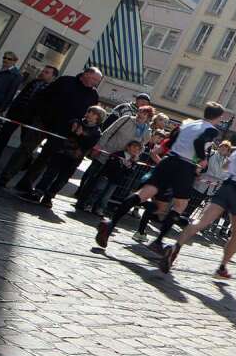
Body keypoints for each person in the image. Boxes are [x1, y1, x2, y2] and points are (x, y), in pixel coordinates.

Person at [94, 102, 224, 250]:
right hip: (185, 165)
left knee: (143, 194)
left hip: (169, 160)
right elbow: (199, 141)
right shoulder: (211, 130)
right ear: (218, 117)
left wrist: (162, 151)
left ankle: (110, 224)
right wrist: (203, 159)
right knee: (181, 205)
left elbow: (171, 141)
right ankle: (158, 241)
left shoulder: (188, 125)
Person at [166, 129, 236, 278]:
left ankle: (176, 246)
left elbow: (226, 165)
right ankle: (222, 268)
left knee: (202, 221)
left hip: (226, 186)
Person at [0, 67, 101, 191]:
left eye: (97, 81)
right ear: (86, 74)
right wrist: (38, 114)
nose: (95, 83)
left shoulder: (93, 94)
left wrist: (78, 123)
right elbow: (42, 96)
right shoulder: (65, 81)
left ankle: (26, 183)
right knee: (25, 149)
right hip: (44, 122)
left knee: (46, 157)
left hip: (64, 130)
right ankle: (5, 177)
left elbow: (86, 115)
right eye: (94, 79)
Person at [21, 105, 105, 208]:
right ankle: (38, 193)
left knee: (62, 179)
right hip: (61, 152)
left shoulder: (97, 132)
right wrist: (73, 125)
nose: (88, 114)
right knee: (50, 173)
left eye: (92, 113)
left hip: (74, 158)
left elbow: (90, 144)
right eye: (88, 112)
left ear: (97, 117)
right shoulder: (78, 121)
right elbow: (67, 126)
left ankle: (49, 197)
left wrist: (82, 134)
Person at [76, 104, 153, 203]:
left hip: (119, 161)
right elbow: (108, 132)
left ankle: (92, 204)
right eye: (140, 111)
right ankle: (81, 198)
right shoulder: (126, 119)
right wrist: (99, 146)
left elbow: (141, 147)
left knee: (104, 184)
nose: (141, 114)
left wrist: (134, 157)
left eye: (144, 113)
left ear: (148, 117)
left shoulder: (147, 131)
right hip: (106, 152)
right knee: (92, 176)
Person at [0, 63, 55, 164]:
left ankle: (25, 162)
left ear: (53, 76)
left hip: (31, 117)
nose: (43, 73)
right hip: (18, 112)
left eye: (46, 72)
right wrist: (12, 109)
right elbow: (21, 95)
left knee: (26, 141)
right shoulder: (34, 82)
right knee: (4, 134)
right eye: (43, 71)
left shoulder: (52, 88)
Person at [76, 139, 142, 215]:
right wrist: (122, 164)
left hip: (116, 180)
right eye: (134, 147)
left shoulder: (133, 161)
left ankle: (100, 209)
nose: (135, 150)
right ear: (128, 147)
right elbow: (110, 164)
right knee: (98, 191)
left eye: (138, 149)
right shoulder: (118, 154)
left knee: (107, 196)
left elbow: (129, 173)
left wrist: (131, 164)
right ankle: (89, 205)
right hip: (107, 176)